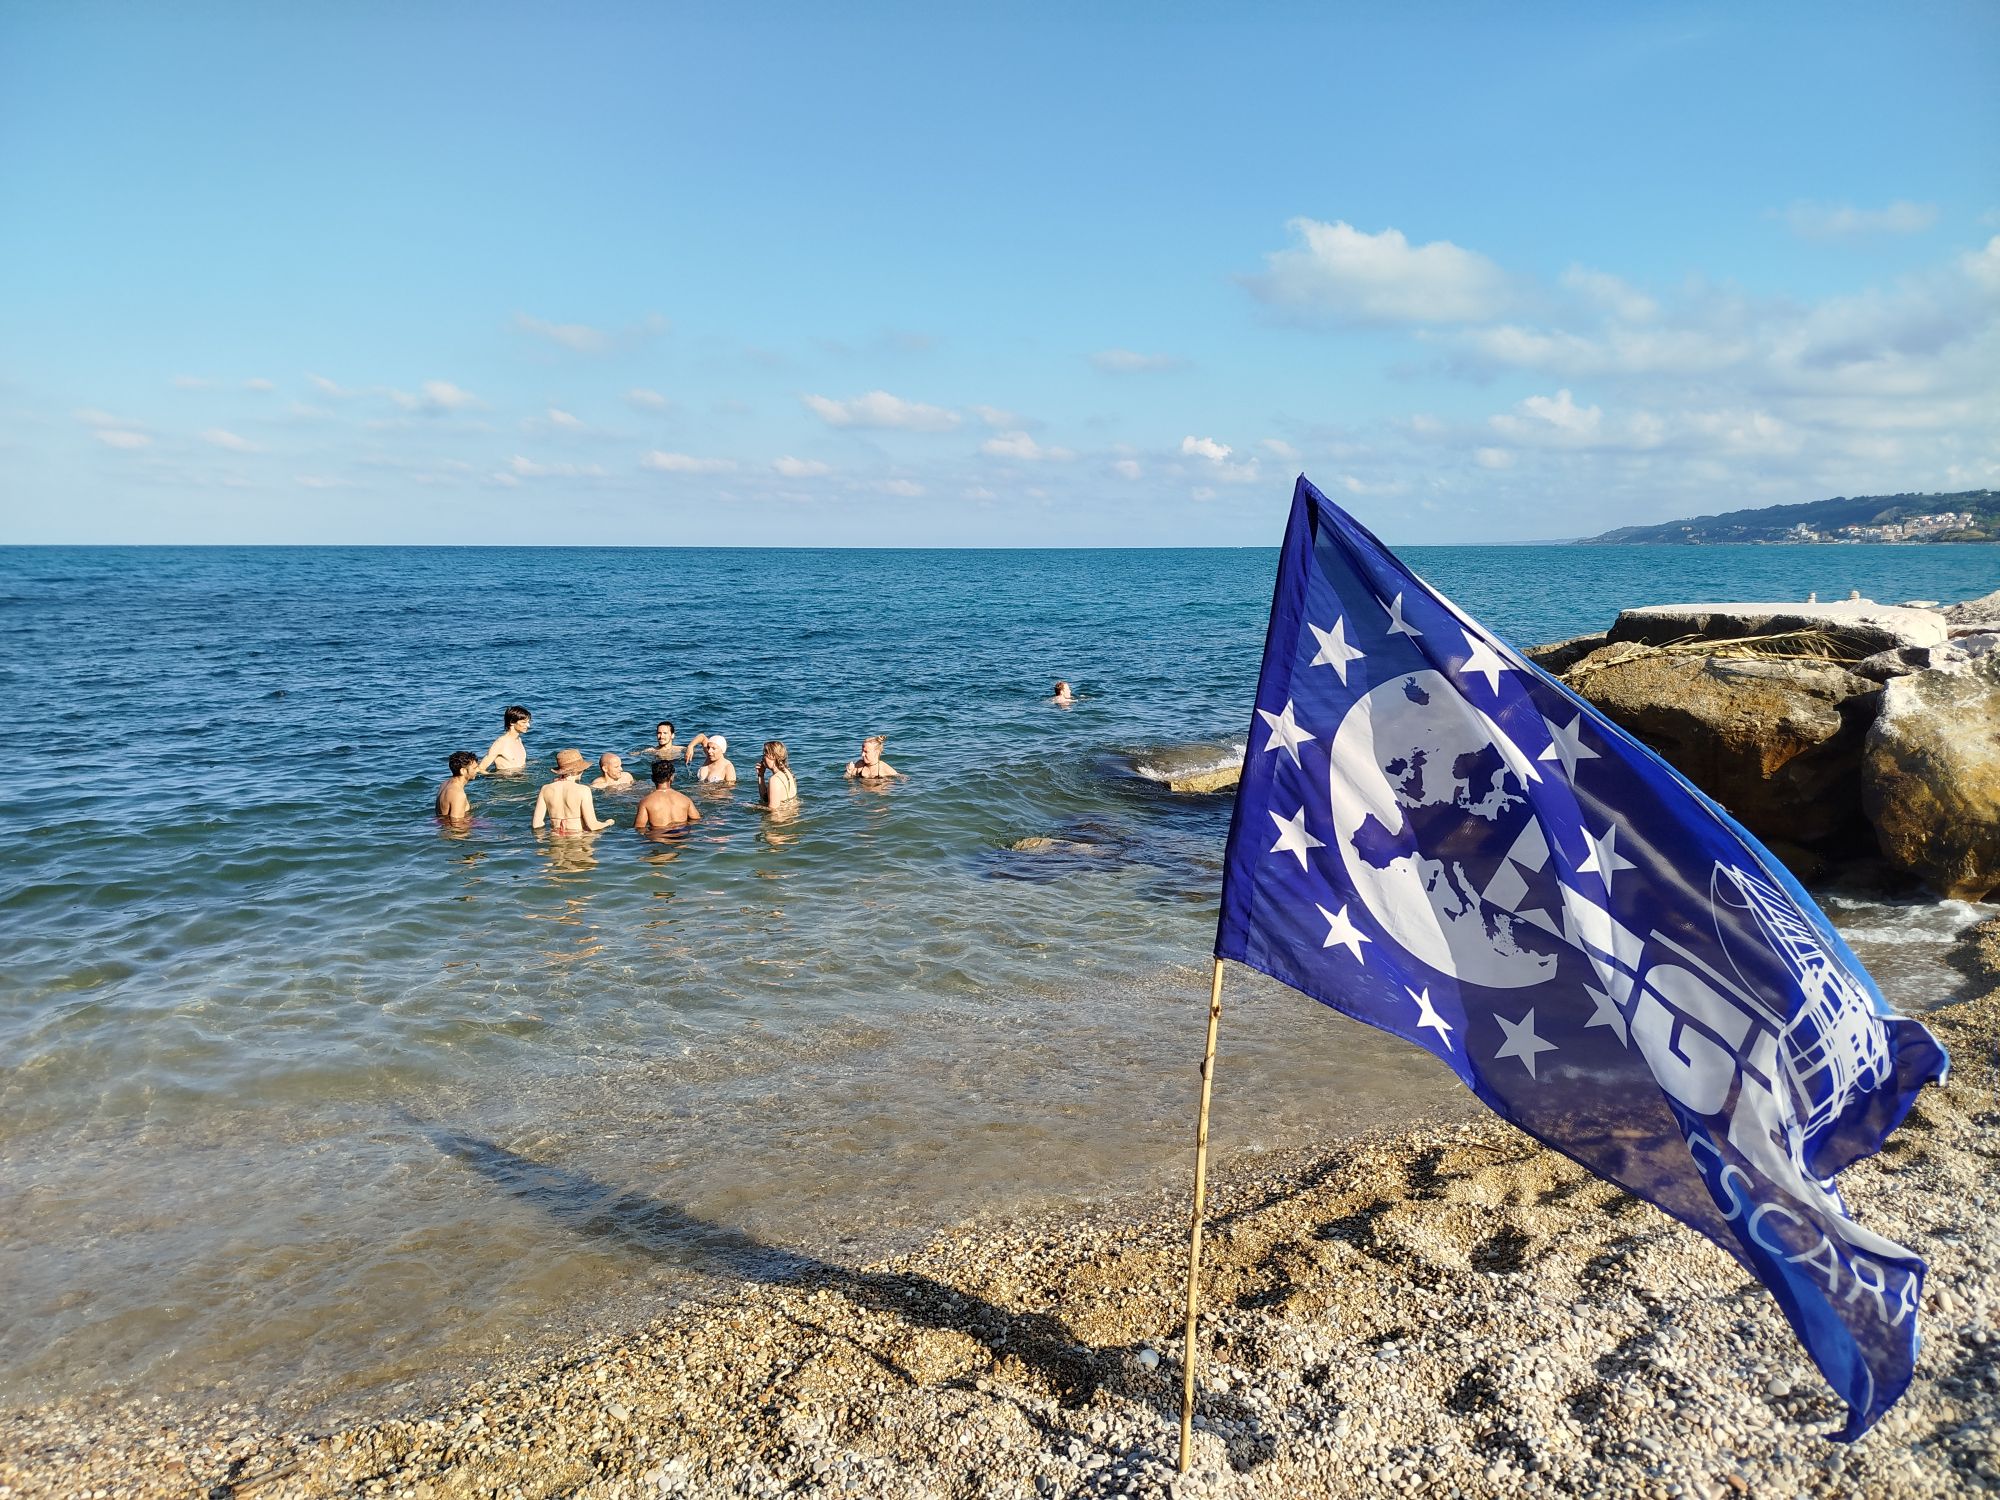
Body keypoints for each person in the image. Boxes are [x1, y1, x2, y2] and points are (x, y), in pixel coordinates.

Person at [532, 748, 615, 834]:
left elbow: (536, 825)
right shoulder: (583, 790)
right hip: (577, 838)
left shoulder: (545, 789)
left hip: (555, 839)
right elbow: (592, 826)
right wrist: (608, 823)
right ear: (578, 770)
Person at [633, 756, 703, 830]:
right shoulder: (685, 799)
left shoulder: (646, 802)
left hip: (659, 838)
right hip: (681, 837)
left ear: (652, 778)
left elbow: (639, 828)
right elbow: (696, 820)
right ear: (672, 777)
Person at [478, 705, 532, 773]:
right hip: (506, 781)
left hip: (522, 779)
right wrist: (495, 777)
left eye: (528, 722)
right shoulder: (500, 743)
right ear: (512, 722)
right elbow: (480, 768)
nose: (528, 725)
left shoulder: (518, 740)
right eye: (524, 722)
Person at [436, 750, 478, 820]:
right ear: (463, 771)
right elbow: (457, 826)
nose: (477, 770)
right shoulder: (458, 794)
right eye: (474, 768)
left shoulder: (444, 784)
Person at [757, 740, 798, 808]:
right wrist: (760, 776)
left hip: (779, 817)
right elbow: (764, 798)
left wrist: (751, 806)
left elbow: (773, 809)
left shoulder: (775, 780)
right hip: (791, 816)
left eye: (764, 755)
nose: (762, 758)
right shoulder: (788, 772)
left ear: (773, 756)